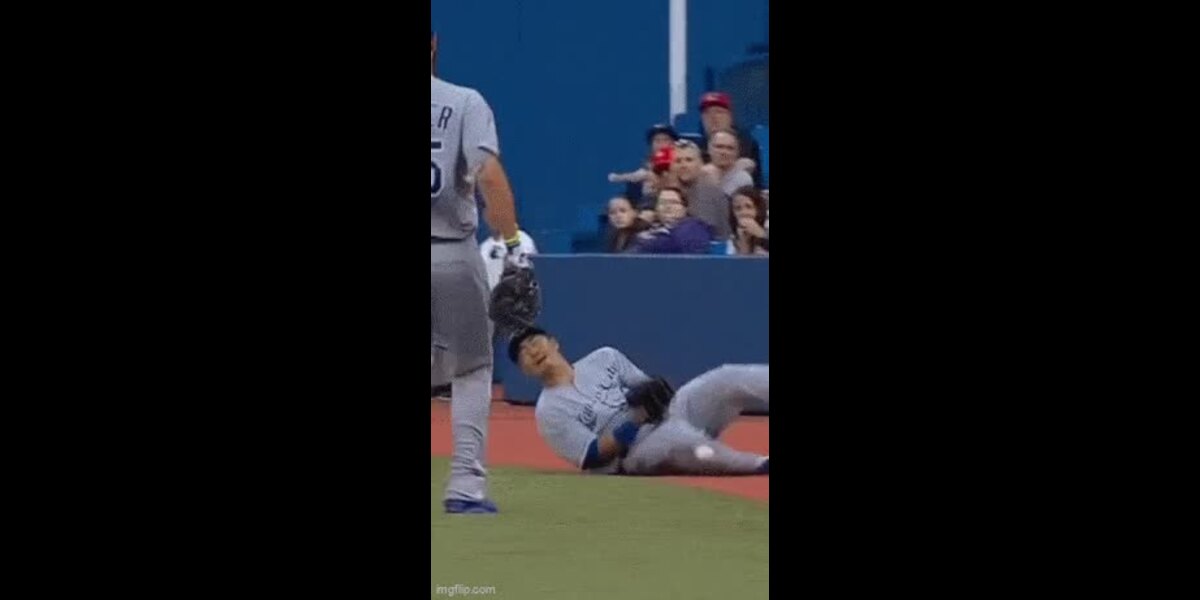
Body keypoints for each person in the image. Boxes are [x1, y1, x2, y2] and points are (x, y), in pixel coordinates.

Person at [431, 29, 528, 514]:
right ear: (433, 44)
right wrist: (513, 247)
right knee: (471, 367)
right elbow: (488, 174)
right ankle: (465, 487)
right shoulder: (464, 101)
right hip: (449, 251)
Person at [509, 327, 769, 476]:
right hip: (633, 452)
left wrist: (657, 390)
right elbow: (591, 456)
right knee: (679, 439)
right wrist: (634, 421)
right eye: (523, 354)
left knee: (726, 378)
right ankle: (759, 464)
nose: (532, 351)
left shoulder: (604, 357)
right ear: (525, 371)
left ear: (554, 343)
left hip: (668, 416)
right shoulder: (549, 410)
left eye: (534, 342)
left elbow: (647, 389)